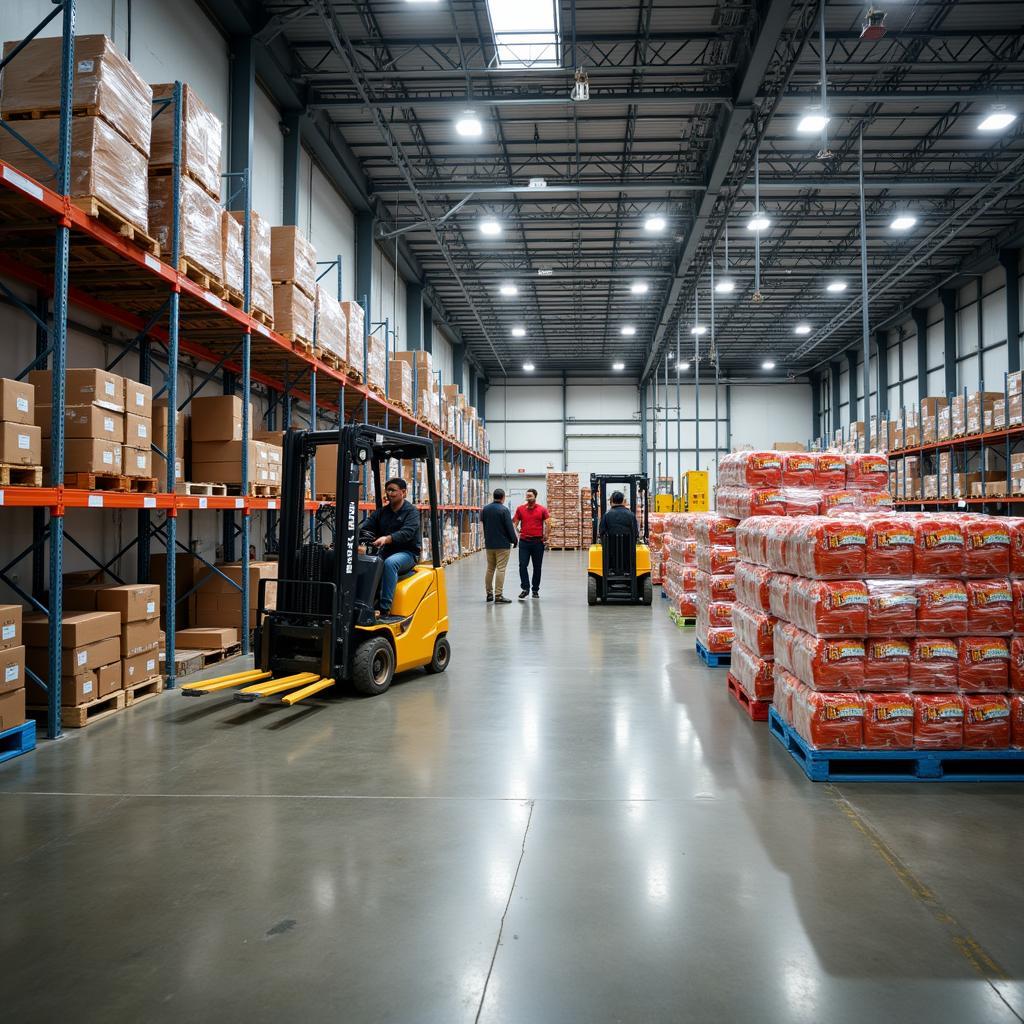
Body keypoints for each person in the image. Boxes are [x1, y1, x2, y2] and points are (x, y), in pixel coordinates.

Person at [359, 477, 421, 618]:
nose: (389, 493)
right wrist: (360, 542)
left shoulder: (411, 512)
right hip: (385, 551)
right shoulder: (382, 512)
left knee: (390, 563)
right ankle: (365, 604)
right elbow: (367, 527)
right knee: (367, 562)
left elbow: (407, 533)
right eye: (387, 490)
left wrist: (387, 539)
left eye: (393, 490)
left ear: (403, 492)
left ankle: (384, 608)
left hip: (407, 553)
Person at [480, 488, 518, 603]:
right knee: (501, 569)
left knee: (490, 568)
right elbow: (509, 527)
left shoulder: (485, 509)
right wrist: (514, 540)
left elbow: (483, 525)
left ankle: (489, 594)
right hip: (502, 544)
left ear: (493, 496)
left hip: (490, 544)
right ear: (503, 497)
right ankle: (498, 595)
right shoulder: (504, 510)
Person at [513, 487, 550, 599]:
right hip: (524, 542)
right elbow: (514, 523)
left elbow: (548, 523)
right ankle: (525, 588)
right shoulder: (520, 509)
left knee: (537, 567)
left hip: (537, 542)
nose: (528, 497)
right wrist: (518, 533)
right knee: (522, 565)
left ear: (535, 497)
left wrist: (546, 536)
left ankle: (535, 590)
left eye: (530, 495)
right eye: (527, 495)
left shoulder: (542, 509)